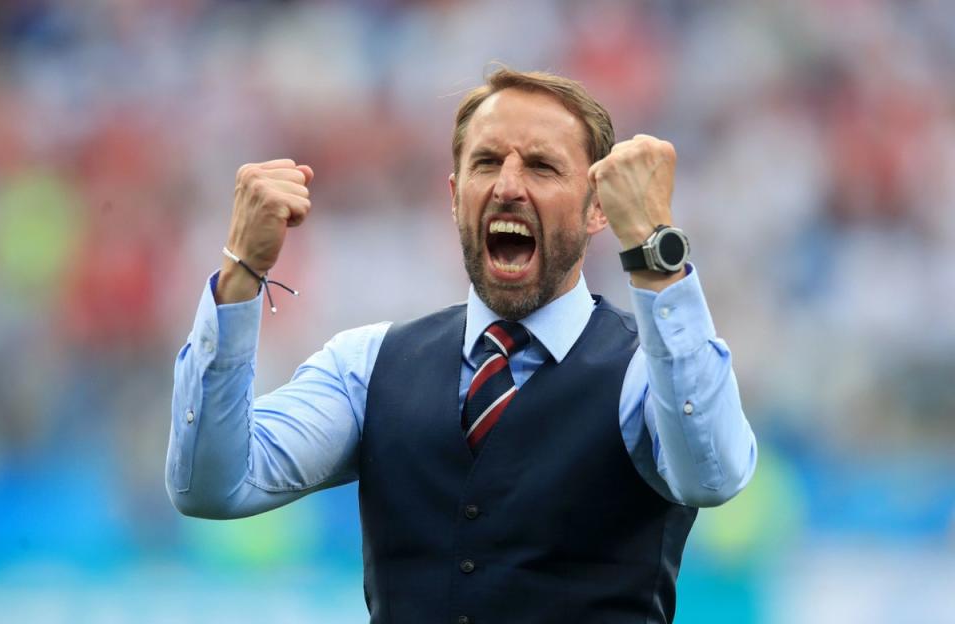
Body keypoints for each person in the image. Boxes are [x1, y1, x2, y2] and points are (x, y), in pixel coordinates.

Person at [167, 67, 756, 623]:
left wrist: (654, 252)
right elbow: (212, 484)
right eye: (487, 162)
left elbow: (712, 475)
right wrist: (240, 275)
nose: (507, 186)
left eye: (543, 168)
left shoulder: (645, 372)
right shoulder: (369, 366)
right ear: (454, 194)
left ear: (597, 207)